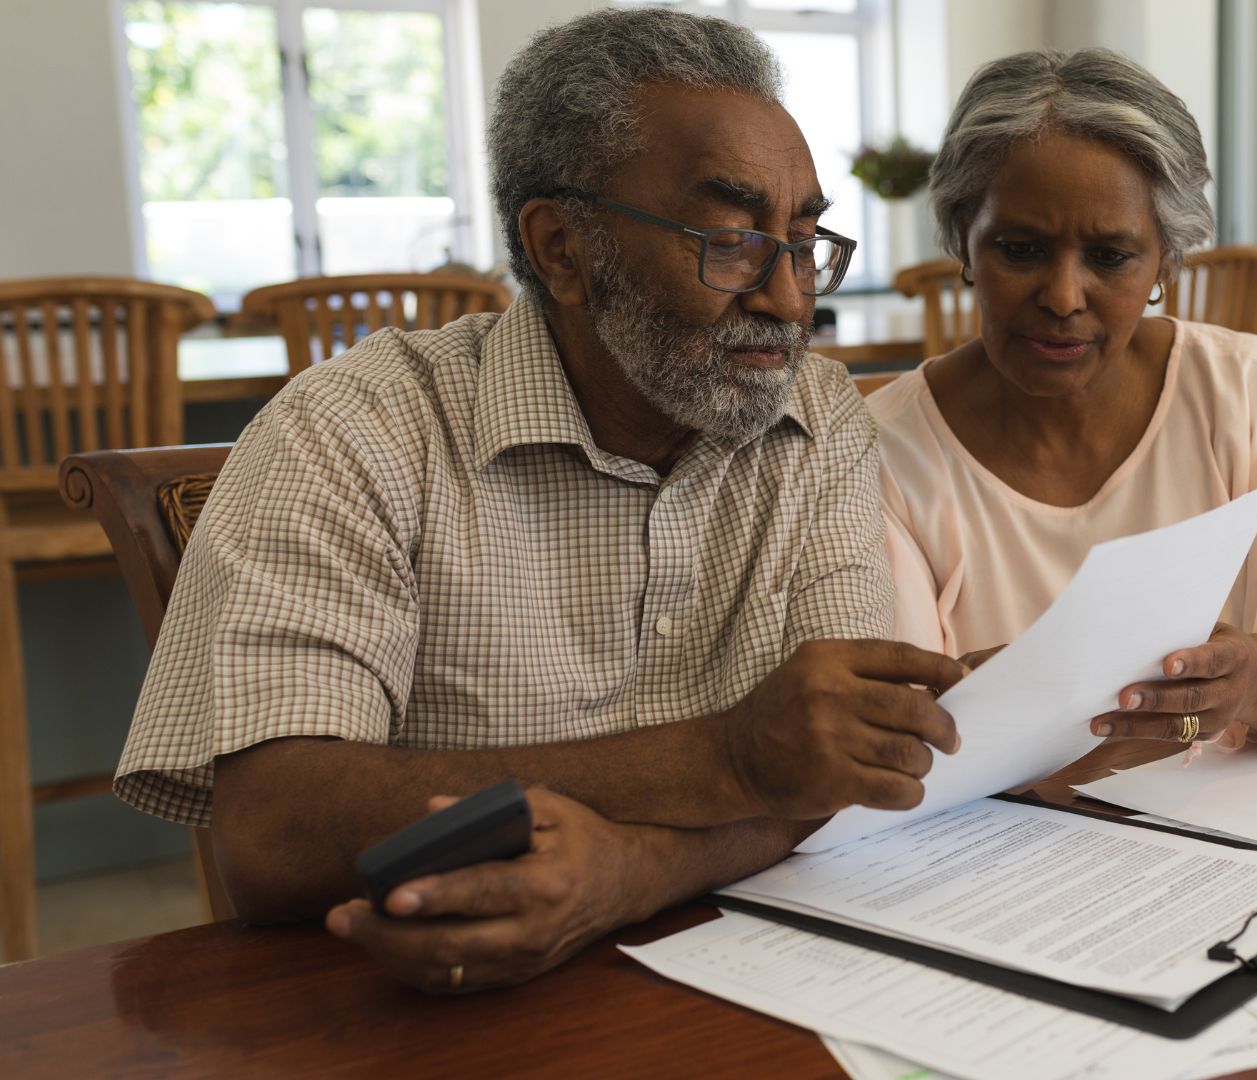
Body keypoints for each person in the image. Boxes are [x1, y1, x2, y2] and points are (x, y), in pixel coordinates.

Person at [116, 8, 968, 993]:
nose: (788, 301)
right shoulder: (358, 428)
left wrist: (635, 873)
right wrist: (726, 761)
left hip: (735, 972)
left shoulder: (815, 415)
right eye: (732, 240)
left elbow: (839, 767)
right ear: (563, 247)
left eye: (806, 239)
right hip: (421, 1001)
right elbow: (272, 832)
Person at [868, 49, 1257, 752]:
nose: (1064, 298)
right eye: (1019, 249)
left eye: (1110, 257)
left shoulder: (1251, 394)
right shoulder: (883, 453)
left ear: (1165, 259)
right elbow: (899, 734)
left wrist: (1250, 679)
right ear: (962, 244)